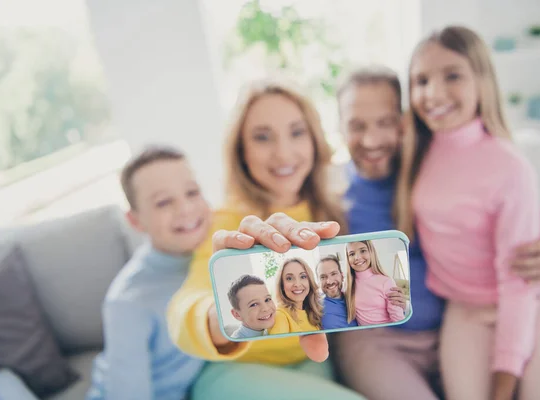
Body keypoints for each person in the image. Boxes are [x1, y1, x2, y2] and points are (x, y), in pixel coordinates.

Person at [250, 65, 540, 400]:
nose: (372, 140)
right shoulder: (329, 194)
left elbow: (499, 231)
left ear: (405, 122)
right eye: (357, 126)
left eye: (386, 123)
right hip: (376, 340)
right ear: (340, 129)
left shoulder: (435, 177)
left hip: (454, 328)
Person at [398, 26, 540, 400]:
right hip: (465, 311)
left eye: (452, 75)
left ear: (481, 80)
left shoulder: (510, 166)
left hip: (529, 302)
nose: (433, 93)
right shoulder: (415, 156)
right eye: (421, 80)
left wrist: (505, 378)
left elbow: (518, 281)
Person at [166, 79, 364, 400]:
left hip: (309, 361)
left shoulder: (333, 211)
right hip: (234, 371)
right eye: (262, 137)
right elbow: (184, 306)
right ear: (241, 151)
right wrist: (221, 317)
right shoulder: (228, 223)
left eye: (297, 132)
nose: (283, 153)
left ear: (314, 140)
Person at [86, 146, 209, 400]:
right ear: (135, 221)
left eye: (192, 192)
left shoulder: (212, 250)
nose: (185, 209)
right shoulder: (127, 302)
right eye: (163, 202)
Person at [344, 241, 405, 325]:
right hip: (363, 335)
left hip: (387, 334)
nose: (357, 257)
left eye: (363, 251)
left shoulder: (386, 281)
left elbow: (398, 319)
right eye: (351, 254)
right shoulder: (347, 285)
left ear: (371, 252)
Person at [269, 258, 323, 334]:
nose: (297, 284)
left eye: (303, 277)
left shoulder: (312, 312)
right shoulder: (280, 316)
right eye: (289, 278)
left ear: (309, 282)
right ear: (282, 285)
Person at [227, 274, 276, 339]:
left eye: (267, 299)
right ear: (237, 314)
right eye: (254, 304)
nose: (266, 308)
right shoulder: (237, 345)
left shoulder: (277, 327)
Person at [316, 255, 359, 329]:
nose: (329, 281)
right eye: (323, 277)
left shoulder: (354, 299)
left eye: (333, 274)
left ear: (342, 276)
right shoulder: (315, 305)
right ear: (318, 282)